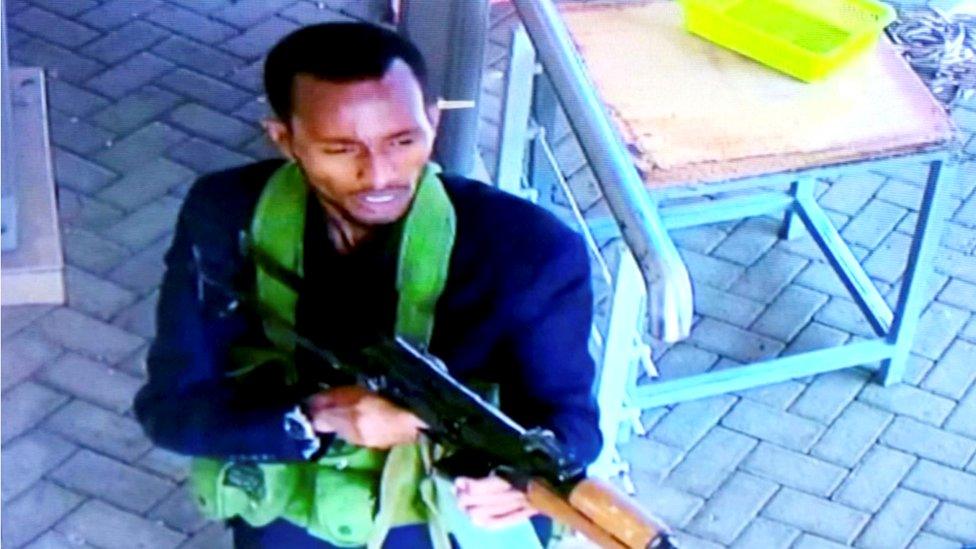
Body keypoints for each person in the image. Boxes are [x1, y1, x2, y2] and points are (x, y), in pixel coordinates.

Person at [134, 22, 601, 549]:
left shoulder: (528, 249)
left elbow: (573, 426)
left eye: (403, 141)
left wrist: (518, 487)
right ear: (285, 139)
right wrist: (316, 418)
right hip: (294, 497)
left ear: (433, 119)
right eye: (340, 149)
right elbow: (169, 410)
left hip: (444, 517)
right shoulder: (227, 214)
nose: (379, 175)